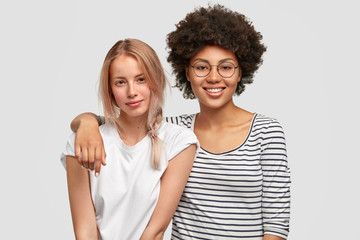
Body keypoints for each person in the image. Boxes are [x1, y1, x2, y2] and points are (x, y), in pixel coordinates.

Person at [70, 5, 291, 240]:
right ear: (187, 73)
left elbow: (277, 225)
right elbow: (120, 124)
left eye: (226, 67)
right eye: (201, 67)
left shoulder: (266, 132)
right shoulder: (174, 131)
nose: (214, 77)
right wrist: (86, 123)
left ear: (240, 72)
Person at [61, 38, 198, 240]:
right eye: (120, 82)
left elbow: (155, 231)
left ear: (156, 80)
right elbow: (85, 232)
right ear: (110, 89)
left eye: (141, 79)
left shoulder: (179, 142)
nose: (132, 92)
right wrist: (86, 123)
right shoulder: (82, 142)